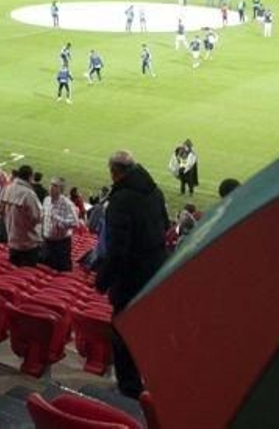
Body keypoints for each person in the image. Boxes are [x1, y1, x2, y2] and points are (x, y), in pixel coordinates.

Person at [95, 150, 169, 399]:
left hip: (131, 278)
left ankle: (129, 391)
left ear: (114, 172)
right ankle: (151, 380)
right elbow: (165, 226)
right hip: (156, 271)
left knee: (123, 332)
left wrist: (103, 281)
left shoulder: (121, 200)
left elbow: (117, 248)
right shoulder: (155, 192)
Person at [0, 164, 43, 266]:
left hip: (12, 241)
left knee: (14, 271)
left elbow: (0, 211)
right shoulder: (29, 194)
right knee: (27, 272)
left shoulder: (7, 188)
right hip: (28, 244)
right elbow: (37, 217)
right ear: (30, 177)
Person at [41, 177, 78, 272]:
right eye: (51, 184)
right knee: (45, 270)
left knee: (61, 272)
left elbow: (75, 223)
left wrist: (58, 219)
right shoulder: (46, 200)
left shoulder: (68, 204)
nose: (51, 187)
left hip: (61, 245)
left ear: (61, 189)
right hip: (47, 242)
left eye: (55, 186)